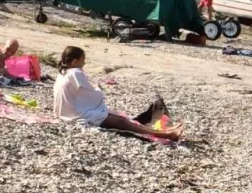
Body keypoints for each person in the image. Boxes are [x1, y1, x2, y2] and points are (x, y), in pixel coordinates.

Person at [53, 45, 182, 140]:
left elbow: (80, 94)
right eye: (82, 60)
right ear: (75, 61)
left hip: (65, 112)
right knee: (122, 122)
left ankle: (163, 132)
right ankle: (166, 134)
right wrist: (98, 90)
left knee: (121, 119)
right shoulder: (75, 73)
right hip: (75, 114)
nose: (84, 63)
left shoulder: (63, 73)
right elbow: (91, 94)